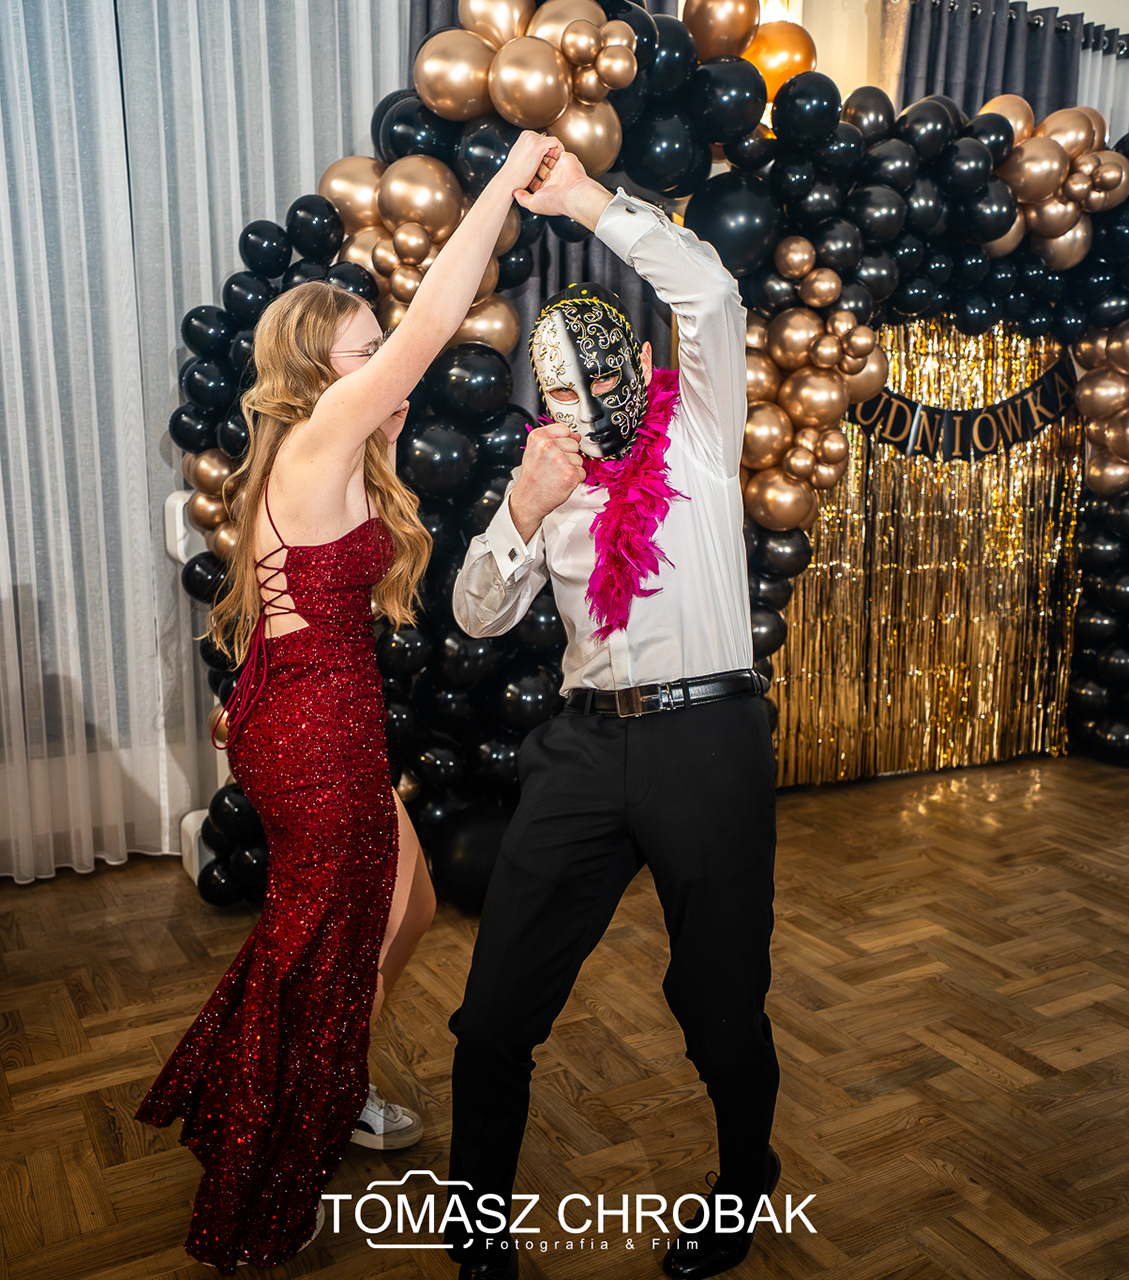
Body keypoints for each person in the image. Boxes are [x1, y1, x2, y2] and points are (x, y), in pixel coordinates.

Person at [134, 130, 561, 1274]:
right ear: (325, 371)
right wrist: (505, 181)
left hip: (318, 717)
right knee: (314, 948)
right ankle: (263, 1164)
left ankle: (332, 1077)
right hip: (315, 733)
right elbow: (438, 320)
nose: (391, 368)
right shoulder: (321, 434)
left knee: (406, 905)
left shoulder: (330, 452)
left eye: (382, 349)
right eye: (370, 352)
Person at [444, 147, 782, 1280]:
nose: (583, 408)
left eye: (600, 378)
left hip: (708, 741)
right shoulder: (551, 478)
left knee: (720, 1002)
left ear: (643, 362)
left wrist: (587, 203)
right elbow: (479, 616)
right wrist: (516, 509)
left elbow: (712, 293)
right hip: (585, 746)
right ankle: (476, 1225)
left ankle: (743, 1182)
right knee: (497, 1005)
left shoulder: (702, 436)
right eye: (560, 393)